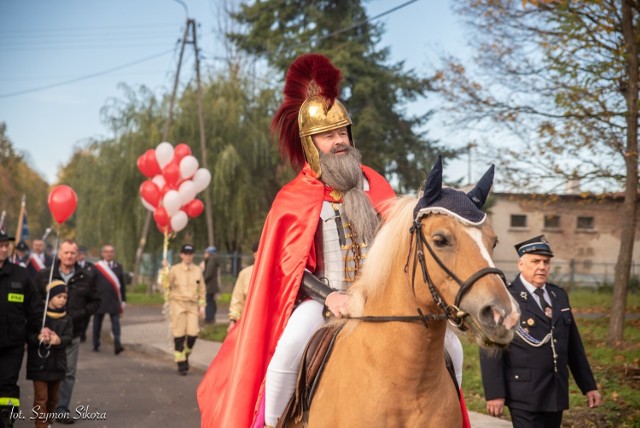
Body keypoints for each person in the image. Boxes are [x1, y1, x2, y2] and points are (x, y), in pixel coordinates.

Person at [197, 53, 397, 427]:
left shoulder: (376, 183)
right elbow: (290, 269)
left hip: (381, 296)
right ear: (309, 142)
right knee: (287, 352)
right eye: (327, 135)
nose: (338, 141)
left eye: (342, 133)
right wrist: (332, 296)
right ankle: (272, 423)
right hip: (323, 299)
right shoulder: (294, 197)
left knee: (446, 346)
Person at [479, 235, 603, 427]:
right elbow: (491, 348)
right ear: (521, 264)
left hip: (555, 391)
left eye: (546, 262)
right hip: (523, 392)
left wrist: (589, 386)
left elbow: (573, 346)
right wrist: (495, 393)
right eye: (535, 261)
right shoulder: (506, 298)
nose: (542, 267)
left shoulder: (558, 295)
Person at [34, 240, 100, 425]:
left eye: (73, 252)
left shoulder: (86, 276)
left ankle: (61, 409)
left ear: (77, 254)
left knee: (68, 372)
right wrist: (42, 321)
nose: (69, 256)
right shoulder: (45, 275)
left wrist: (78, 315)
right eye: (66, 252)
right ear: (60, 254)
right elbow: (35, 299)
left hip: (72, 332)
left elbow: (95, 301)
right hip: (46, 332)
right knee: (44, 371)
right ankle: (44, 408)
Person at [0, 231, 44, 428]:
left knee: (8, 385)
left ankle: (7, 420)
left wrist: (38, 332)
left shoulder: (21, 275)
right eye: (0, 246)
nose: (3, 249)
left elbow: (34, 309)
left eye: (5, 246)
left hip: (13, 344)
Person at [26, 280, 73, 428]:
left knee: (53, 399)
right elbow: (28, 335)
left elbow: (69, 337)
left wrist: (59, 340)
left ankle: (48, 422)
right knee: (41, 398)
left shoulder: (67, 318)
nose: (62, 300)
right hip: (39, 364)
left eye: (65, 297)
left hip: (57, 365)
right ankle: (41, 425)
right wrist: (37, 338)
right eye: (58, 296)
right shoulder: (40, 318)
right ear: (50, 297)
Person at [166, 244, 206, 375]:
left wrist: (202, 307)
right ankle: (181, 363)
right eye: (186, 253)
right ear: (181, 255)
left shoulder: (197, 270)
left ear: (193, 255)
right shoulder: (175, 269)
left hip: (193, 305)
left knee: (193, 333)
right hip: (178, 304)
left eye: (190, 254)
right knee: (179, 334)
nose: (188, 256)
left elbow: (202, 290)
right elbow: (166, 284)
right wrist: (164, 271)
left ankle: (186, 354)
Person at [92, 244, 126, 355]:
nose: (108, 253)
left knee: (116, 323)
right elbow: (91, 284)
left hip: (114, 300)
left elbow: (122, 285)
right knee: (97, 323)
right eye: (106, 251)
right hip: (100, 300)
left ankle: (117, 344)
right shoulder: (97, 267)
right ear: (102, 254)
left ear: (114, 254)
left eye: (111, 251)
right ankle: (96, 344)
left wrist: (123, 300)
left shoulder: (118, 267)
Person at [227, 242, 258, 332]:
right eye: (258, 252)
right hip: (248, 322)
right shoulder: (245, 274)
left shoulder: (275, 273)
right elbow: (237, 298)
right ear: (253, 254)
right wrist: (233, 320)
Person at [76, 246, 95, 343]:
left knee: (86, 316)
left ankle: (83, 332)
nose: (80, 256)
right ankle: (77, 332)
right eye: (78, 254)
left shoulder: (90, 266)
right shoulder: (73, 265)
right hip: (77, 294)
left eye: (82, 254)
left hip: (87, 295)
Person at [202, 246, 220, 324]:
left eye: (206, 252)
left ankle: (209, 319)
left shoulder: (211, 261)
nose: (204, 254)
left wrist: (203, 281)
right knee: (211, 302)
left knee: (209, 302)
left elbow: (208, 274)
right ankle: (211, 318)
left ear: (209, 253)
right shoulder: (212, 260)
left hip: (210, 286)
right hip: (212, 286)